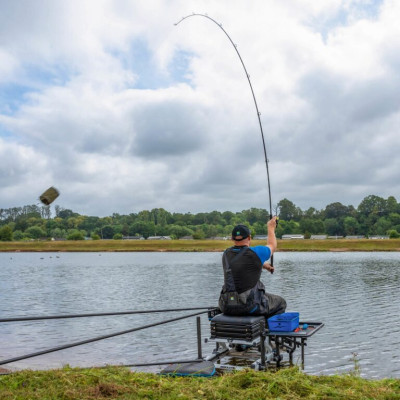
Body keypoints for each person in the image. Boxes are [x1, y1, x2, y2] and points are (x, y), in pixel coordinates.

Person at [218, 216, 286, 318]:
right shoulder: (256, 252)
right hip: (250, 305)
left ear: (232, 239)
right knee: (281, 302)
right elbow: (272, 245)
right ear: (249, 237)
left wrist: (263, 265)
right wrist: (271, 228)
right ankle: (264, 330)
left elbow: (239, 264)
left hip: (226, 305)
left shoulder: (226, 254)